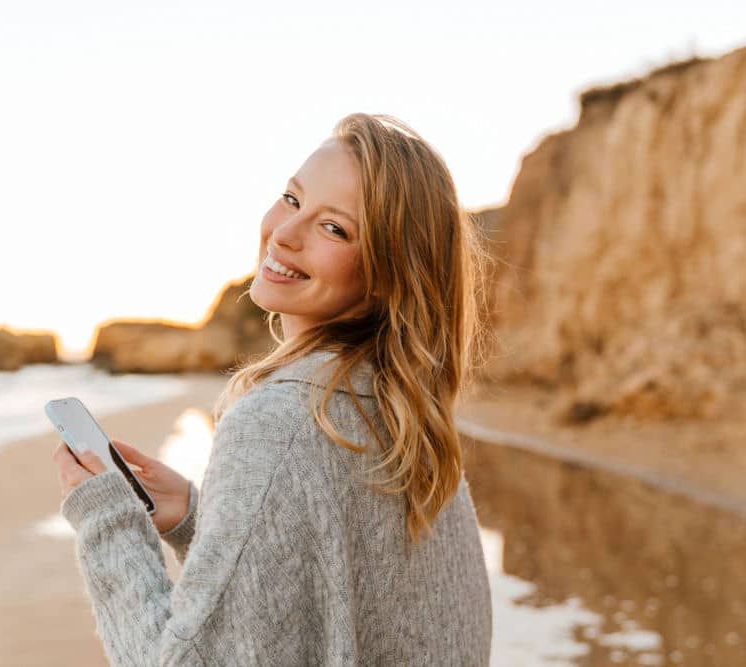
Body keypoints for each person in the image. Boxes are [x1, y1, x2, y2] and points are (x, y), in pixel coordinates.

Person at [52, 112, 494, 665]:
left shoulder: (281, 424)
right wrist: (203, 519)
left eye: (334, 228)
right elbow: (348, 603)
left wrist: (108, 521)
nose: (283, 234)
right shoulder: (412, 422)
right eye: (291, 198)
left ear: (386, 274)